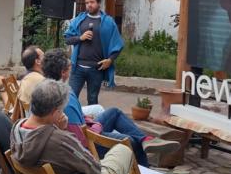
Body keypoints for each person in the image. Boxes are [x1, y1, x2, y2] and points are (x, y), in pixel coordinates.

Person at [11, 79, 133, 174]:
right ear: (55, 112)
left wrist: (59, 130)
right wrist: (62, 133)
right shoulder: (60, 142)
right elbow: (94, 169)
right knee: (124, 149)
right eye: (61, 110)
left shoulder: (16, 129)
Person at [42, 48, 176, 166]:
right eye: (70, 66)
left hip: (82, 131)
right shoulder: (65, 97)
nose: (72, 67)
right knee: (131, 142)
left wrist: (88, 121)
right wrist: (97, 126)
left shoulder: (43, 88)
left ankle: (146, 140)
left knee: (114, 112)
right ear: (64, 72)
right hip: (87, 145)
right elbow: (80, 140)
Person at [64, 0, 123, 105]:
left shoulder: (108, 22)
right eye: (87, 3)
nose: (89, 5)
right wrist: (80, 38)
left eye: (92, 2)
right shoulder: (79, 20)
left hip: (96, 68)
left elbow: (118, 44)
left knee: (92, 100)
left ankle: (91, 123)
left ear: (99, 3)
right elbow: (67, 39)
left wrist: (110, 60)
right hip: (78, 67)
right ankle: (71, 122)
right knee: (70, 99)